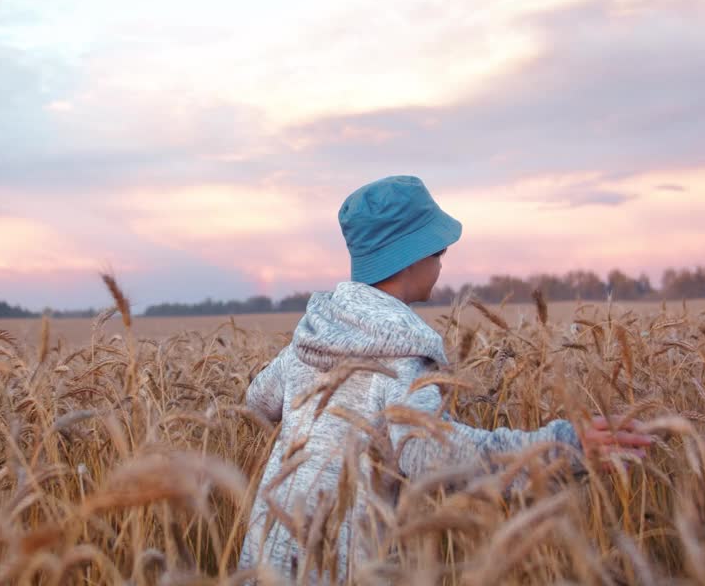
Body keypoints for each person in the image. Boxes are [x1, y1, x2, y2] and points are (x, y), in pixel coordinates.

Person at [237, 175, 651, 584]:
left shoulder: (310, 339)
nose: (440, 264)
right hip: (338, 568)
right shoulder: (402, 354)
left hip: (264, 558)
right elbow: (430, 455)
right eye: (439, 253)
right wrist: (562, 447)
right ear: (412, 257)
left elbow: (257, 402)